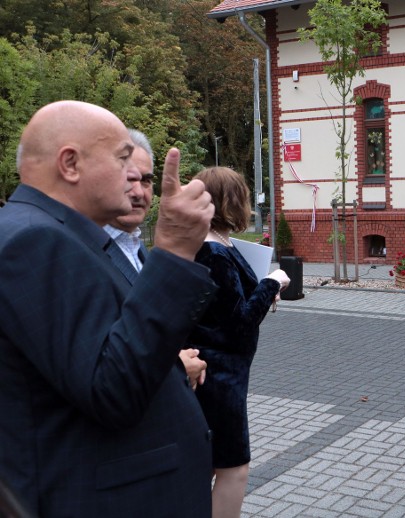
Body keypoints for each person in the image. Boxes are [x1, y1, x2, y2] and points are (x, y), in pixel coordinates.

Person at [0, 100, 217, 515]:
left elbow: (90, 357)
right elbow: (112, 389)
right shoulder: (35, 241)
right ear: (70, 164)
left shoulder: (54, 232)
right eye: (121, 159)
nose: (132, 175)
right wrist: (172, 250)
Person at [190, 167, 290, 518]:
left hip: (219, 371)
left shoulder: (214, 242)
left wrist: (260, 292)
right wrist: (272, 283)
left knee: (211, 465)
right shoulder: (214, 251)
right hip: (219, 376)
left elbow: (227, 308)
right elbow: (239, 324)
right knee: (233, 467)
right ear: (231, 200)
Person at [103, 129, 207, 388]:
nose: (138, 192)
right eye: (129, 179)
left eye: (146, 180)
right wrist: (177, 366)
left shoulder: (138, 248)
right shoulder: (84, 250)